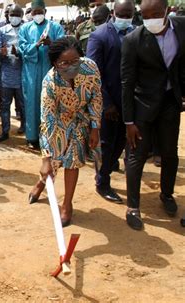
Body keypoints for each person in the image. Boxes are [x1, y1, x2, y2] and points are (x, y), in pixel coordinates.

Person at [121, 0, 185, 230]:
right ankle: (133, 206)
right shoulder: (133, 40)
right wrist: (129, 121)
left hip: (170, 102)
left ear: (167, 11)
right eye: (145, 16)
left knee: (169, 153)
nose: (151, 21)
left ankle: (166, 195)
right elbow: (127, 82)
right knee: (136, 156)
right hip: (142, 106)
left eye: (155, 15)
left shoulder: (181, 27)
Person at [29, 37, 102, 226]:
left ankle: (67, 204)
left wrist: (95, 128)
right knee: (53, 161)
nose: (71, 66)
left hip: (80, 122)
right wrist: (46, 158)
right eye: (65, 63)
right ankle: (42, 182)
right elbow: (47, 120)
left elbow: (95, 98)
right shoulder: (50, 83)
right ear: (55, 63)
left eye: (75, 61)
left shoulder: (90, 68)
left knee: (72, 161)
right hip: (58, 121)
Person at [87, 0, 135, 203]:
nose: (125, 19)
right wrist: (106, 103)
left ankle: (106, 171)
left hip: (129, 101)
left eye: (129, 14)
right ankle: (102, 182)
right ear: (113, 13)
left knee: (122, 143)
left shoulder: (136, 33)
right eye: (121, 14)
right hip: (107, 102)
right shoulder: (99, 36)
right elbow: (93, 73)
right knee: (107, 144)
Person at [18, 0, 64, 149]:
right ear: (31, 13)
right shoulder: (25, 28)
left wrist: (51, 44)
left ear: (45, 12)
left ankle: (49, 137)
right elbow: (22, 48)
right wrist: (36, 45)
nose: (37, 14)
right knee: (31, 103)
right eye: (34, 12)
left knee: (50, 104)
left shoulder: (55, 27)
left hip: (50, 71)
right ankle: (32, 137)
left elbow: (64, 48)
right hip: (31, 73)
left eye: (40, 12)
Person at [0, 5, 25, 143]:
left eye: (17, 14)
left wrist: (18, 53)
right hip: (7, 73)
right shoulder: (2, 30)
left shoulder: (27, 29)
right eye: (12, 14)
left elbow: (30, 50)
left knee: (23, 103)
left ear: (22, 15)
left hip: (22, 73)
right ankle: (5, 131)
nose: (14, 17)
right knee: (4, 104)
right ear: (8, 16)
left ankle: (25, 127)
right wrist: (0, 54)